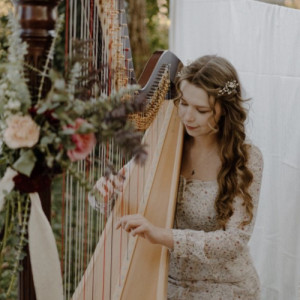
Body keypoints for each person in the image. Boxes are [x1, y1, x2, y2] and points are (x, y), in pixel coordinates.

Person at [91, 55, 263, 300]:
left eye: (201, 110)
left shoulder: (245, 159)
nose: (188, 117)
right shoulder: (165, 143)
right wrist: (104, 192)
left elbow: (234, 241)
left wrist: (161, 235)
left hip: (224, 288)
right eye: (183, 103)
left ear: (225, 110)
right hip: (167, 284)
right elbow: (105, 204)